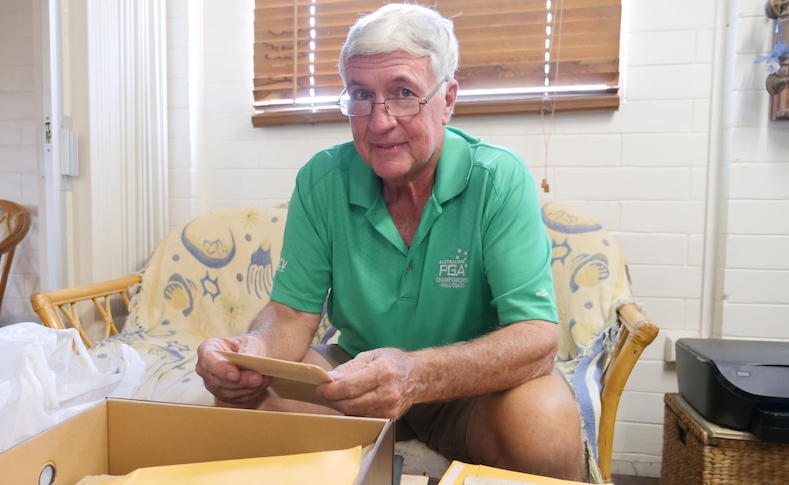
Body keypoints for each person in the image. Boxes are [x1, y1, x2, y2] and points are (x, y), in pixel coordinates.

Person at [196, 3, 584, 481]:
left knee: (547, 422)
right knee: (240, 397)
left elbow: (537, 339)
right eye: (361, 94)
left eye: (403, 94)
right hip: (353, 385)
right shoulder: (323, 179)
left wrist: (417, 374)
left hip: (471, 393)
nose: (379, 123)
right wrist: (248, 352)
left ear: (448, 100)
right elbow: (293, 313)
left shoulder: (498, 179)